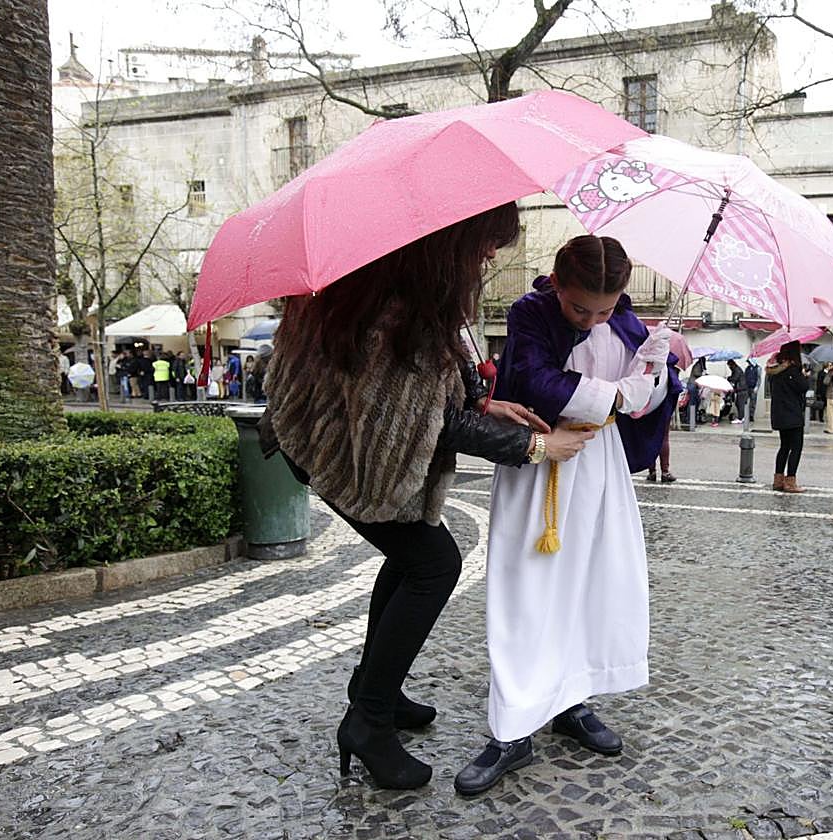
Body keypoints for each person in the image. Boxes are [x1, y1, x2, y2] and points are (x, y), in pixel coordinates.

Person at [259, 202, 595, 790]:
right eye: (487, 243)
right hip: (338, 454)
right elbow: (421, 422)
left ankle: (373, 689)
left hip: (327, 441)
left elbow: (427, 396)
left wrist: (484, 402)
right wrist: (538, 448)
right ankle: (368, 722)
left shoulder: (400, 284)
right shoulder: (394, 308)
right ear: (454, 241)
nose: (491, 256)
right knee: (434, 564)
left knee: (413, 556)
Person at [454, 235, 679, 796]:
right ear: (557, 283)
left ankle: (572, 698)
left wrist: (656, 374)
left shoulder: (628, 323)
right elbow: (532, 381)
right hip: (543, 463)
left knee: (589, 583)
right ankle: (512, 728)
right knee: (527, 590)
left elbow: (651, 397)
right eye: (580, 308)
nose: (592, 318)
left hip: (598, 468)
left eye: (604, 309)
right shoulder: (531, 314)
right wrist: (618, 394)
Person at [766, 341, 809, 493]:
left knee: (784, 447)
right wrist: (803, 374)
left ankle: (778, 480)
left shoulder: (774, 371)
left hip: (780, 414)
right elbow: (804, 387)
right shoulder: (792, 370)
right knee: (796, 448)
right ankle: (790, 482)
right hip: (793, 415)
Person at [727, 359, 748, 424]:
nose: (729, 367)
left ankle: (741, 418)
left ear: (731, 364)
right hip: (740, 389)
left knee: (740, 404)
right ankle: (741, 417)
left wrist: (728, 378)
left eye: (729, 366)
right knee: (738, 403)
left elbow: (734, 378)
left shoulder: (737, 370)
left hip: (742, 390)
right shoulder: (736, 369)